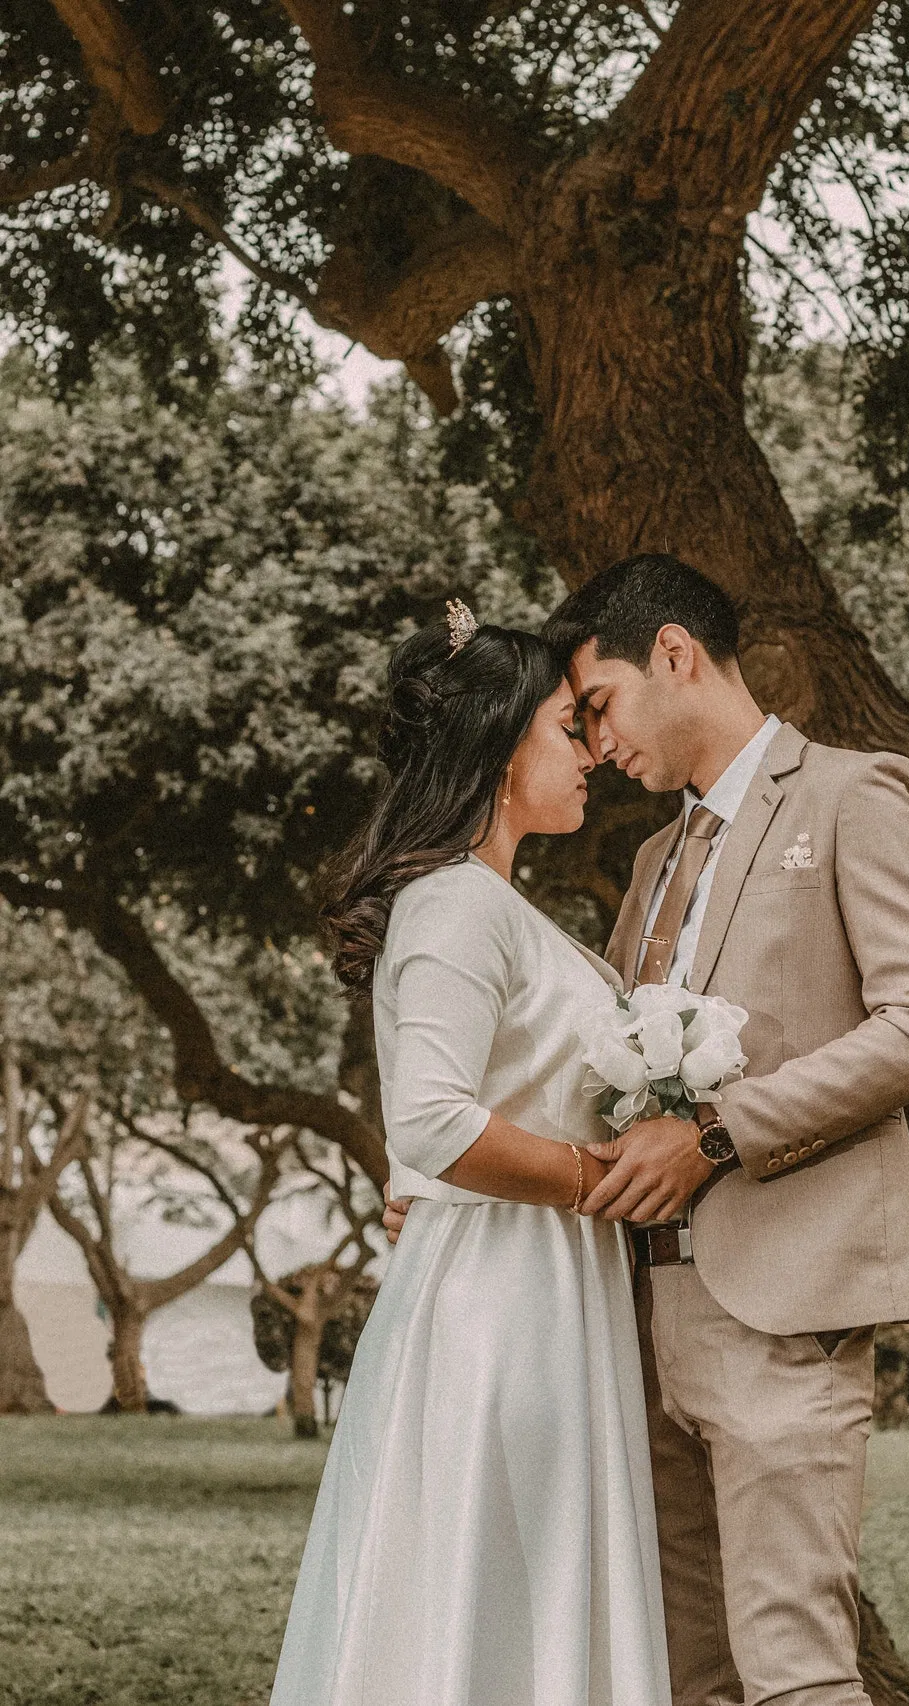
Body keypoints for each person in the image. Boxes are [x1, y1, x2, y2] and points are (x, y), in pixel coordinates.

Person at [387, 554, 909, 1706]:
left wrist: (715, 1133)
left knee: (795, 1668)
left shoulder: (853, 793)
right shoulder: (654, 861)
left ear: (674, 653)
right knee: (678, 1675)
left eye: (598, 705)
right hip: (629, 1323)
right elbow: (596, 1075)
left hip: (784, 1308)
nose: (596, 742)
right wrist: (453, 1181)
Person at [269, 608, 670, 1706]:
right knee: (487, 1583)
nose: (592, 752)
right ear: (498, 749)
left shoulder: (495, 904)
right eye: (566, 727)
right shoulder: (453, 903)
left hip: (549, 1277)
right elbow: (434, 1122)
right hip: (504, 1301)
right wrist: (601, 1180)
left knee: (537, 1580)